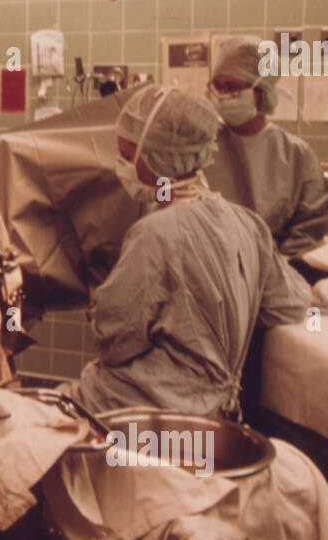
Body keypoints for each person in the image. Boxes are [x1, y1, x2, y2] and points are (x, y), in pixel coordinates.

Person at [69, 85, 313, 419]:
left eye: (128, 156)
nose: (121, 165)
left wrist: (101, 303)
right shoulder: (247, 224)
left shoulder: (155, 234)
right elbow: (292, 303)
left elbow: (114, 341)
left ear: (160, 158)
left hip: (141, 412)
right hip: (216, 415)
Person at [202, 35, 328, 257]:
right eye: (217, 86)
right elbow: (164, 190)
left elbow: (312, 224)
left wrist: (276, 265)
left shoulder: (295, 155)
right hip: (210, 265)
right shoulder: (199, 145)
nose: (222, 96)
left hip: (275, 270)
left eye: (232, 87)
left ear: (261, 89)